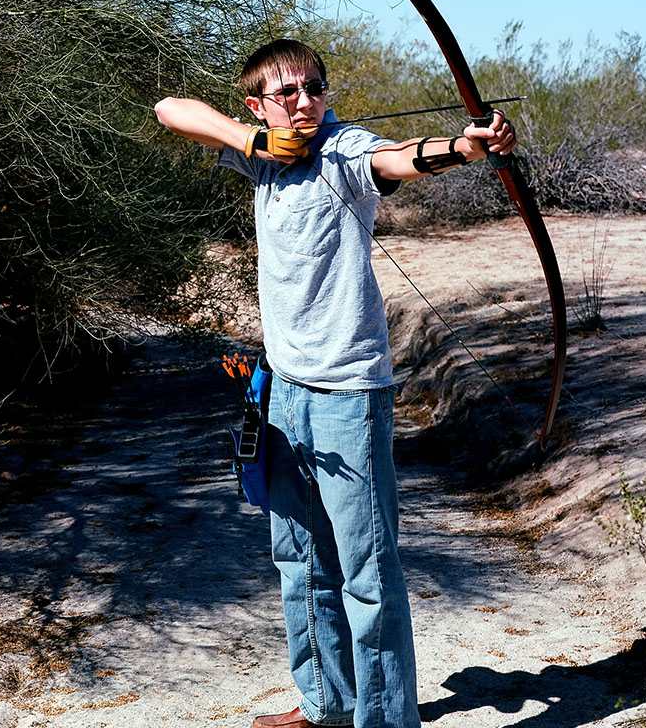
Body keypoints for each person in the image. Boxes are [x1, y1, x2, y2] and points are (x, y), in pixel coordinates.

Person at [153, 39, 517, 728]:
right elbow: (168, 108)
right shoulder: (257, 150)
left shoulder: (345, 149)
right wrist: (250, 139)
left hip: (349, 394)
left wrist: (467, 148)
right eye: (286, 93)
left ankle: (383, 719)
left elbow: (400, 157)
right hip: (282, 389)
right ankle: (325, 704)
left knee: (367, 573)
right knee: (301, 560)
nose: (304, 101)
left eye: (314, 88)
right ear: (257, 104)